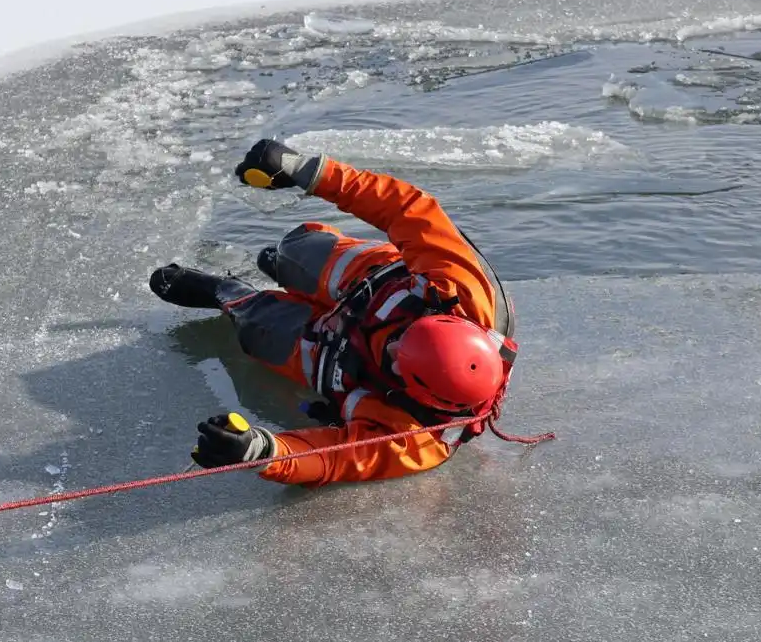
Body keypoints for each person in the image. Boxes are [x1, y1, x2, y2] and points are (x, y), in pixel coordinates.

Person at [149, 139, 552, 487]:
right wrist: (304, 169)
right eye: (404, 337)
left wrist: (260, 450)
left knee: (258, 326)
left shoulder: (418, 438)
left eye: (397, 355)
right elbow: (407, 210)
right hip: (368, 286)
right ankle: (283, 265)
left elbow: (335, 458)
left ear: (416, 389)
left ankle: (229, 293)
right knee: (297, 248)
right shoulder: (465, 288)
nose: (393, 345)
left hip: (335, 355)